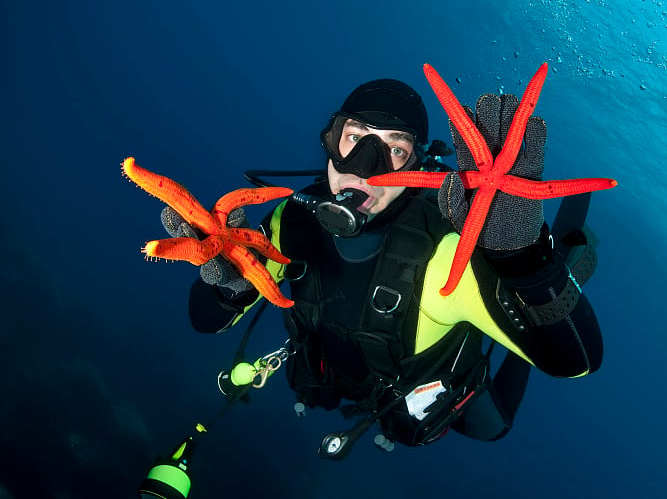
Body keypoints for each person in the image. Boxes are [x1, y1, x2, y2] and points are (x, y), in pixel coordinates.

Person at [161, 77, 603, 458]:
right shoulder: (288, 226)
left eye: (395, 148)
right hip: (331, 378)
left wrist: (525, 263)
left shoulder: (444, 254)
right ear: (328, 142)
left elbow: (574, 363)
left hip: (421, 392)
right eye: (353, 138)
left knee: (493, 427)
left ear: (420, 166)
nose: (365, 169)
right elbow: (205, 320)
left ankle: (549, 268)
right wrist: (230, 286)